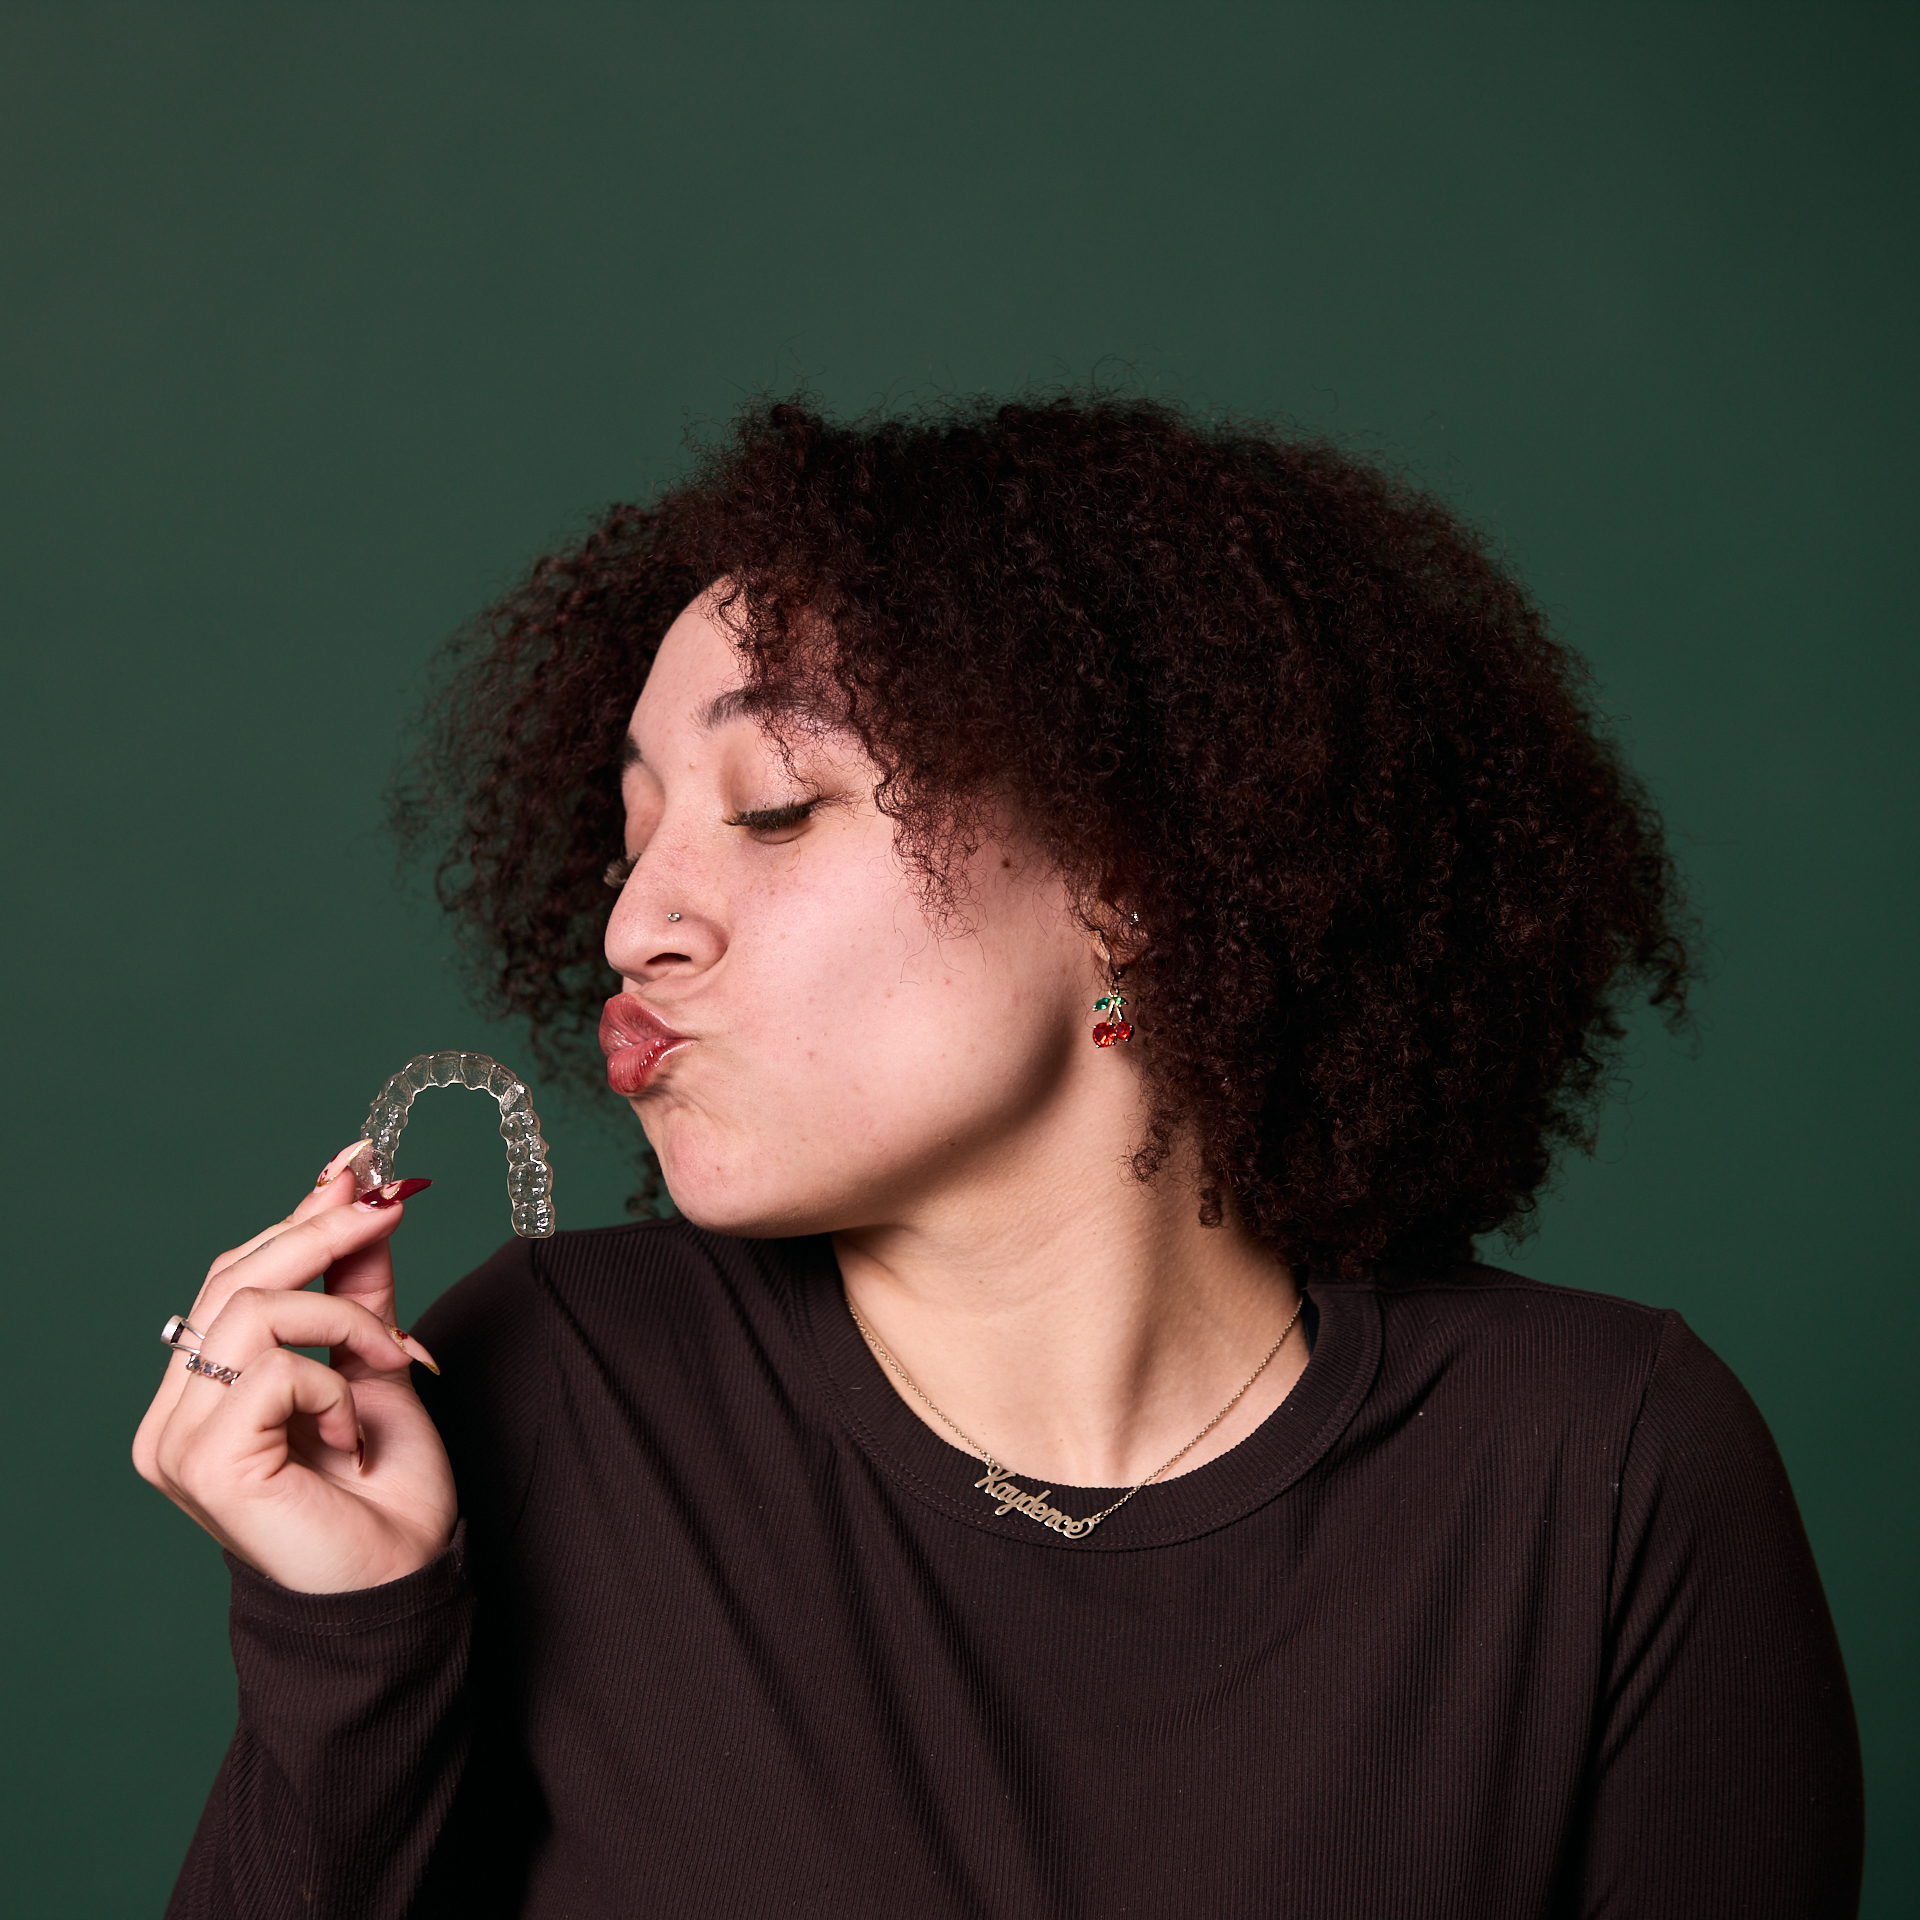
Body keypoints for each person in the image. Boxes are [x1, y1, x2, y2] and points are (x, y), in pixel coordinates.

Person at [135, 396, 1862, 1918]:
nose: (634, 922)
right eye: (630, 833)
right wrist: (346, 1636)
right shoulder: (546, 1383)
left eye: (775, 807)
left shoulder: (1605, 1462)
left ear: (1127, 872)